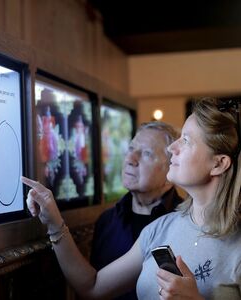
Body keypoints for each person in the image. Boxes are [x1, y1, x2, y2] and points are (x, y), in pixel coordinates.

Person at [22, 97, 241, 300]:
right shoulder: (159, 228)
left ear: (219, 164)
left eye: (186, 140)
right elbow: (92, 287)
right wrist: (54, 222)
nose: (173, 148)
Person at [90, 121, 183, 300]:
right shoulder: (106, 221)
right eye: (131, 148)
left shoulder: (185, 223)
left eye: (147, 154)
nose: (130, 159)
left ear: (171, 171)